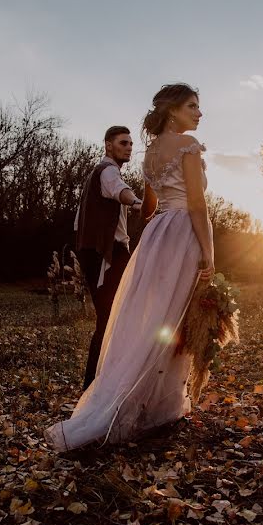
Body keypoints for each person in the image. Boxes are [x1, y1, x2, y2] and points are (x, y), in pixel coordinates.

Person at [46, 84, 215, 451]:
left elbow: (149, 205)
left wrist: (155, 232)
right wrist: (209, 251)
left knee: (153, 316)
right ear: (173, 111)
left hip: (157, 234)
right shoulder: (189, 148)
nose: (199, 113)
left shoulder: (151, 153)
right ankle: (152, 403)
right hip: (183, 230)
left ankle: (147, 400)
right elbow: (198, 205)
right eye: (193, 106)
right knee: (174, 316)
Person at [74, 126, 143, 389]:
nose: (128, 147)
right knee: (111, 317)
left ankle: (100, 381)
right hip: (108, 254)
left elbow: (79, 221)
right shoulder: (108, 171)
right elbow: (120, 191)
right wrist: (137, 202)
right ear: (108, 146)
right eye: (123, 142)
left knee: (113, 317)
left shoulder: (96, 174)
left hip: (100, 251)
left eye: (130, 143)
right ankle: (95, 385)